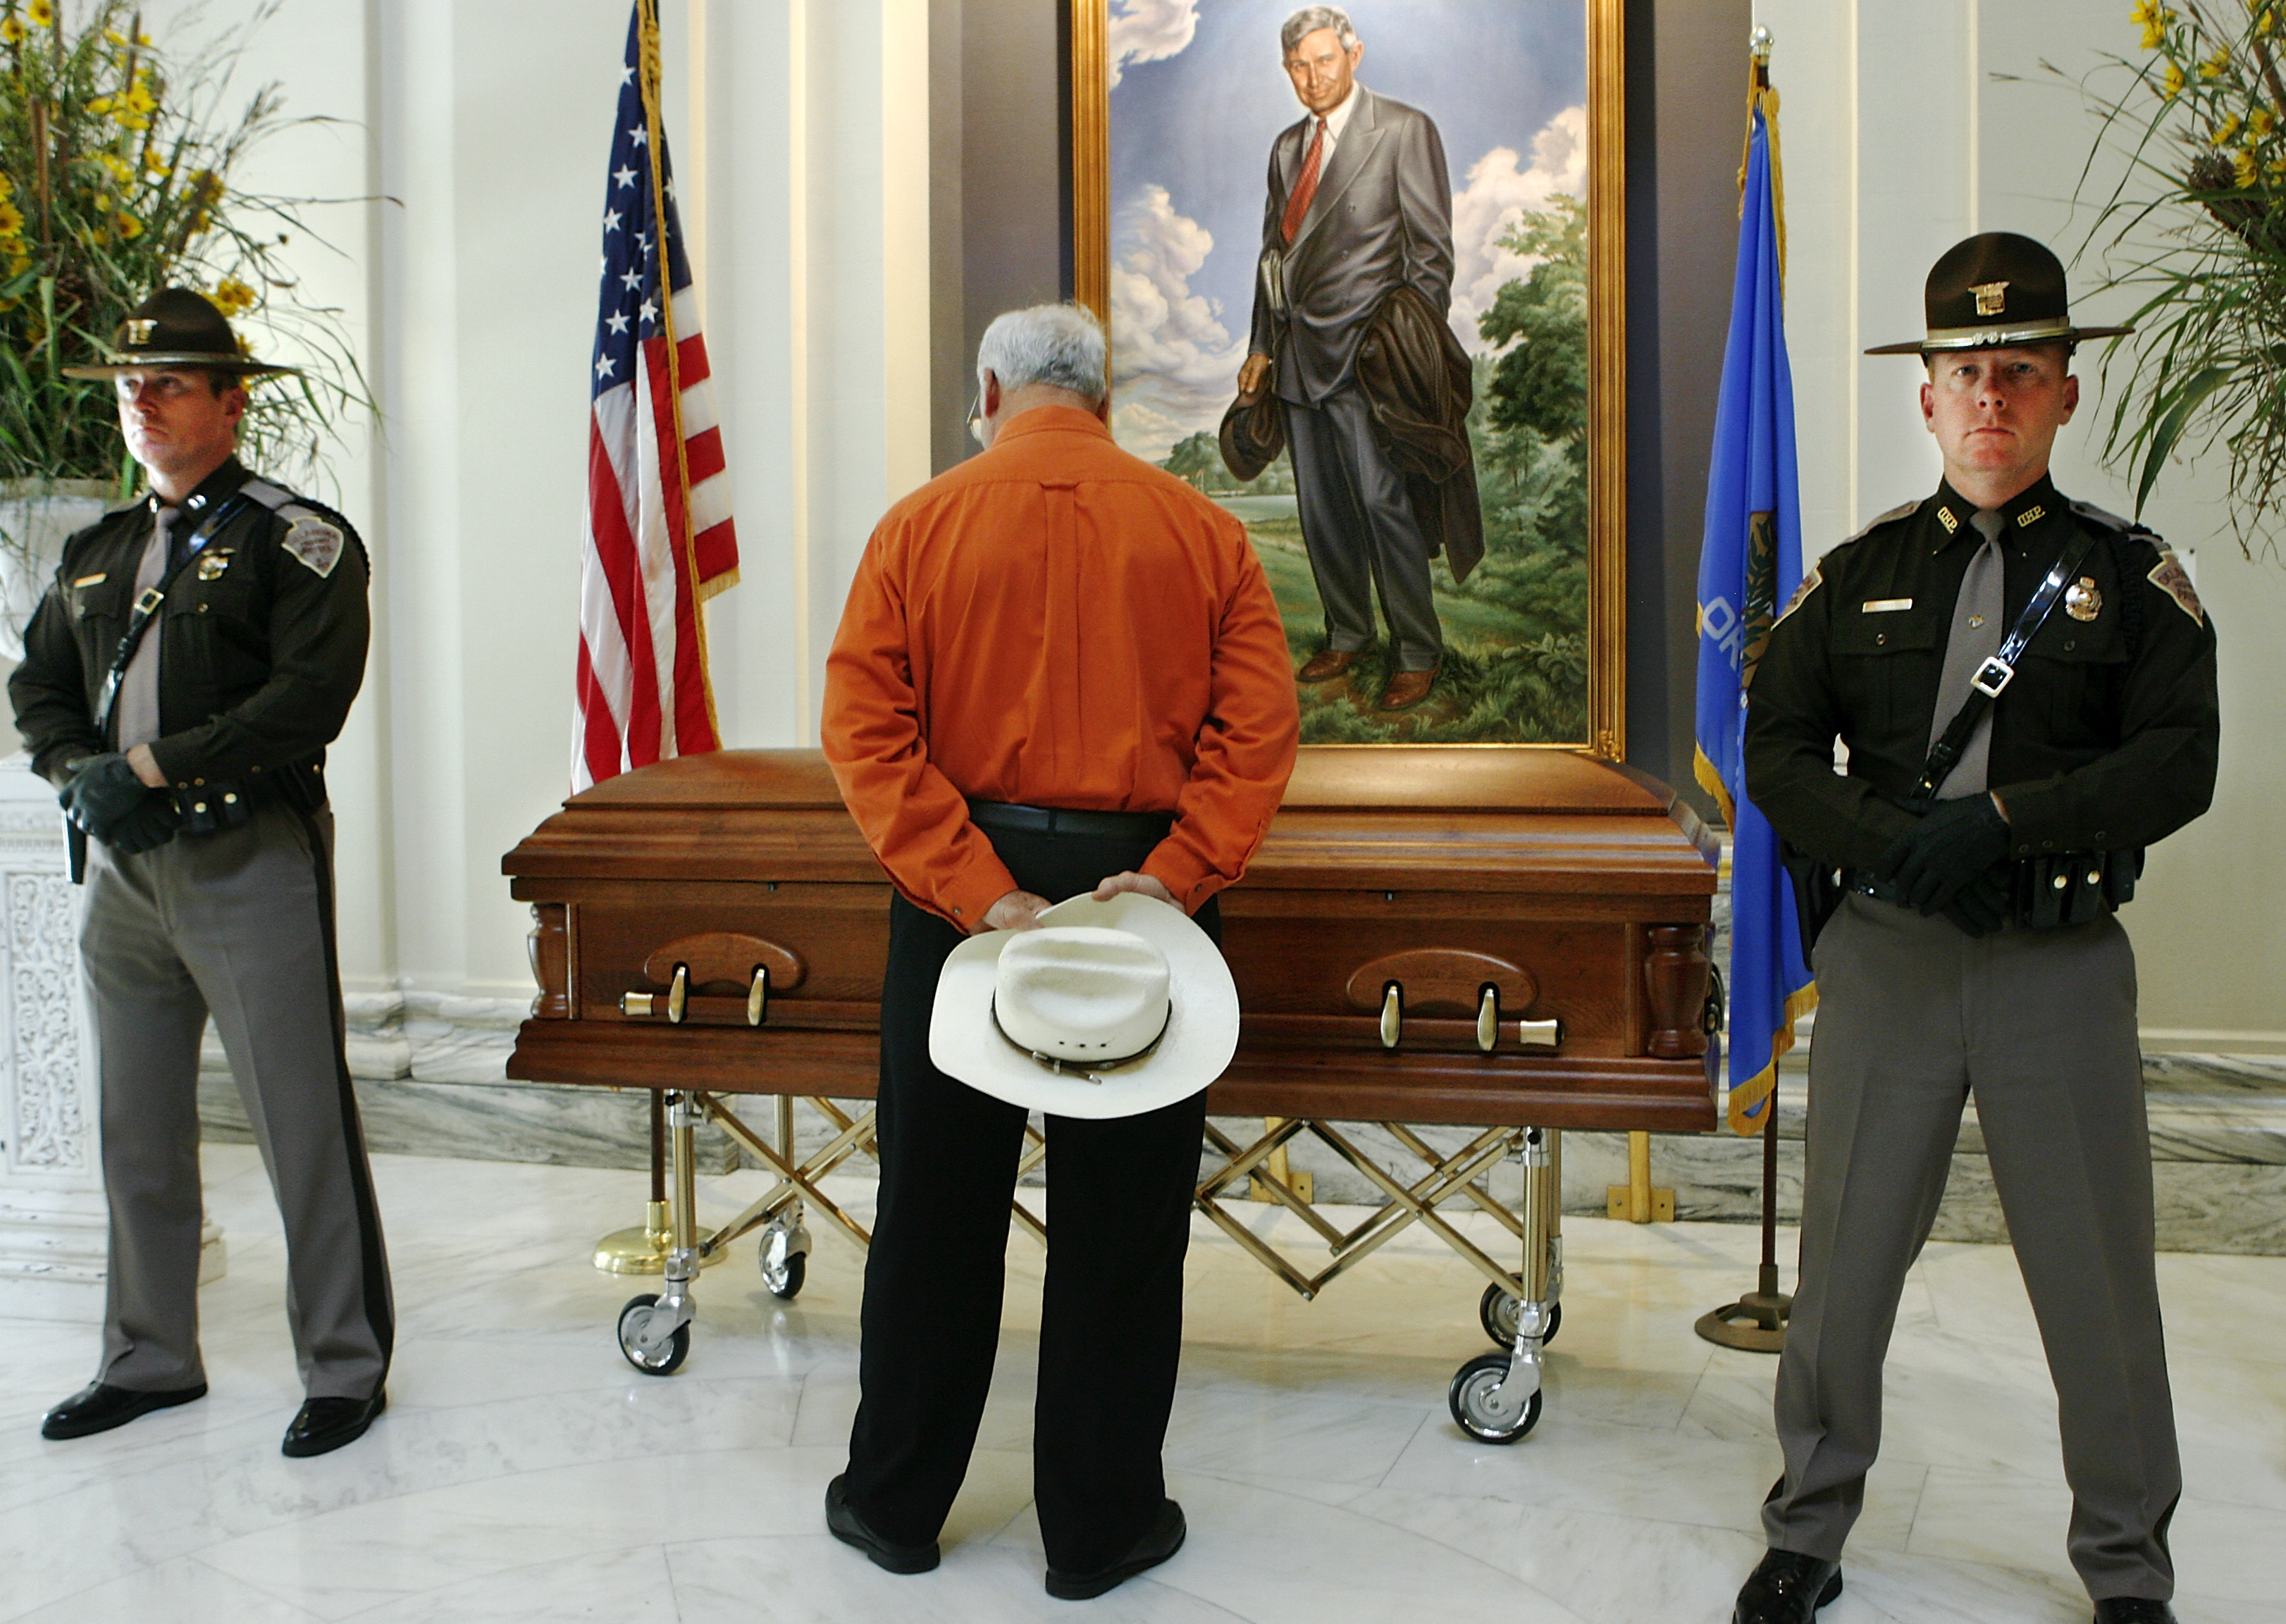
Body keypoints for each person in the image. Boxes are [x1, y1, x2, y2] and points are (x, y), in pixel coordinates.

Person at [1733, 234, 2218, 1624]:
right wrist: (1891, 843)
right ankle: (1806, 1528)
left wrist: (2002, 823)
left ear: (2062, 391)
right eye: (1963, 374)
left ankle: (2124, 1567)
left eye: (2016, 371)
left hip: (2055, 965)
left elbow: (2176, 763)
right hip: (1890, 958)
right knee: (1842, 1266)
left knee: (2095, 1283)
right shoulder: (1859, 572)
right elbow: (1775, 752)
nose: (1988, 399)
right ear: (1925, 397)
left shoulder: (2128, 576)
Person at [820, 302, 1299, 1598]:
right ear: (1101, 396)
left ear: (989, 392)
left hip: (958, 904)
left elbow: (866, 737)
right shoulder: (1203, 531)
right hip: (1143, 899)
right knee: (1123, 1231)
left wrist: (980, 894)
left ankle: (893, 1504)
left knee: (933, 1214)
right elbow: (1257, 735)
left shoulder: (916, 527)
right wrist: (1174, 878)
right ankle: (1099, 1530)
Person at [11, 288, 392, 1459]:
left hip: (247, 860)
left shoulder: (297, 540)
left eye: (170, 384)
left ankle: (344, 1365)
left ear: (232, 403)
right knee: (135, 1123)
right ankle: (148, 1356)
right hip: (126, 875)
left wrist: (150, 766)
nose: (143, 403)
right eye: (132, 386)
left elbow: (305, 701)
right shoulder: (97, 551)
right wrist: (79, 771)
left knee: (299, 1119)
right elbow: (37, 686)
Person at [1238, 4, 1457, 710]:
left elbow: (1430, 258)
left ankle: (1417, 650)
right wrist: (1261, 347)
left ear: (1354, 56)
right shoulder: (1285, 149)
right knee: (1321, 508)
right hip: (1296, 359)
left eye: (1324, 61)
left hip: (1371, 361)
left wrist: (1405, 345)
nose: (1312, 78)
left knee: (1381, 502)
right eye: (1298, 67)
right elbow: (1273, 256)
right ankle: (1349, 633)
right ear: (1286, 70)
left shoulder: (1404, 130)